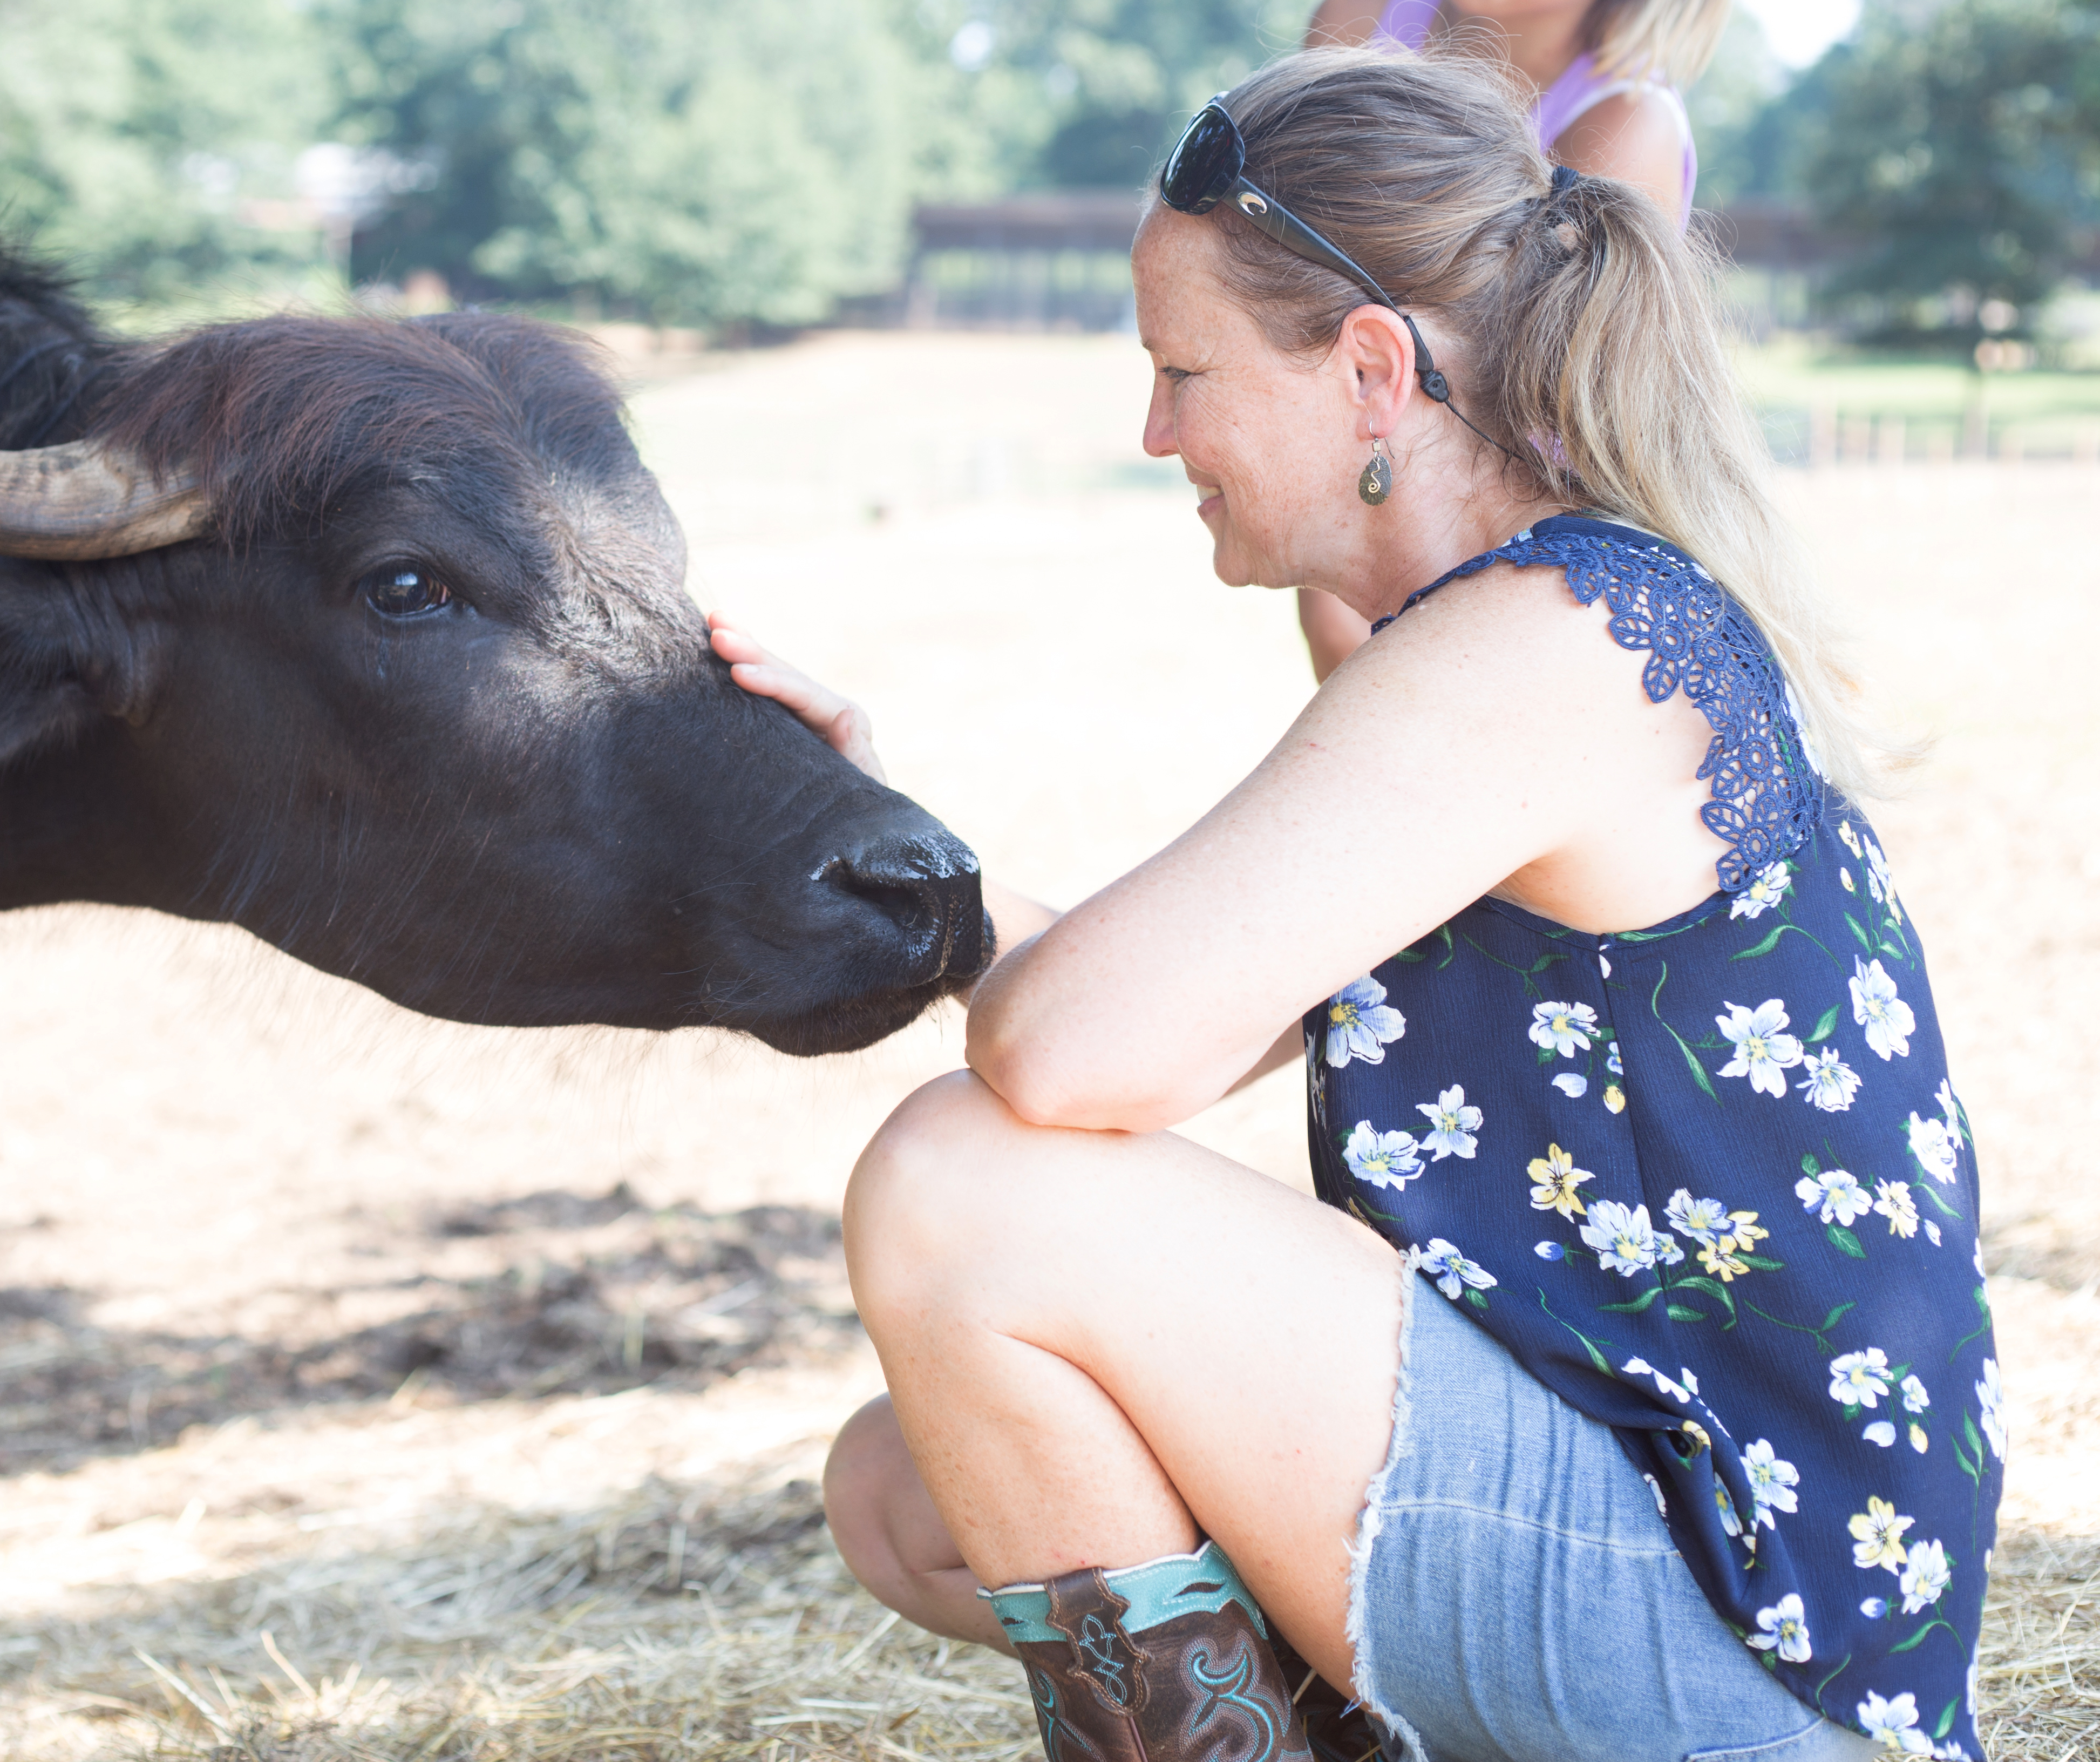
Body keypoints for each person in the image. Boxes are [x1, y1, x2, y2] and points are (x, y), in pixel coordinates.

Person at [711, 48, 1999, 1762]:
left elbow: (1068, 1053)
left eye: (1183, 370)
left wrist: (982, 960)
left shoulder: (1548, 646)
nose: (1154, 429)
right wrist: (861, 827)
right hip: (1642, 1528)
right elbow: (1177, 1011)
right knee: (908, 1483)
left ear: (1371, 370)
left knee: (958, 1184)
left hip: (1746, 1653)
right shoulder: (1525, 622)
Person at [1295, 0, 1729, 681]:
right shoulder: (1363, 17)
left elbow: (1509, 383)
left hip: (1522, 485)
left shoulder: (1626, 122)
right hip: (1359, 419)